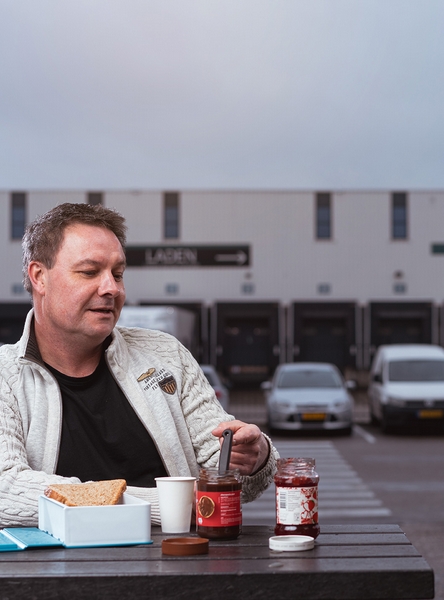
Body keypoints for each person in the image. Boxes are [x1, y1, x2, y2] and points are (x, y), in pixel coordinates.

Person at [0, 202, 278, 526]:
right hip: (57, 561)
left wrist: (255, 457)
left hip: (179, 557)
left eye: (117, 274)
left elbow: (228, 479)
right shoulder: (5, 375)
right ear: (39, 277)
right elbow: (7, 488)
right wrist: (165, 505)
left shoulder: (165, 355)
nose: (112, 288)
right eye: (89, 272)